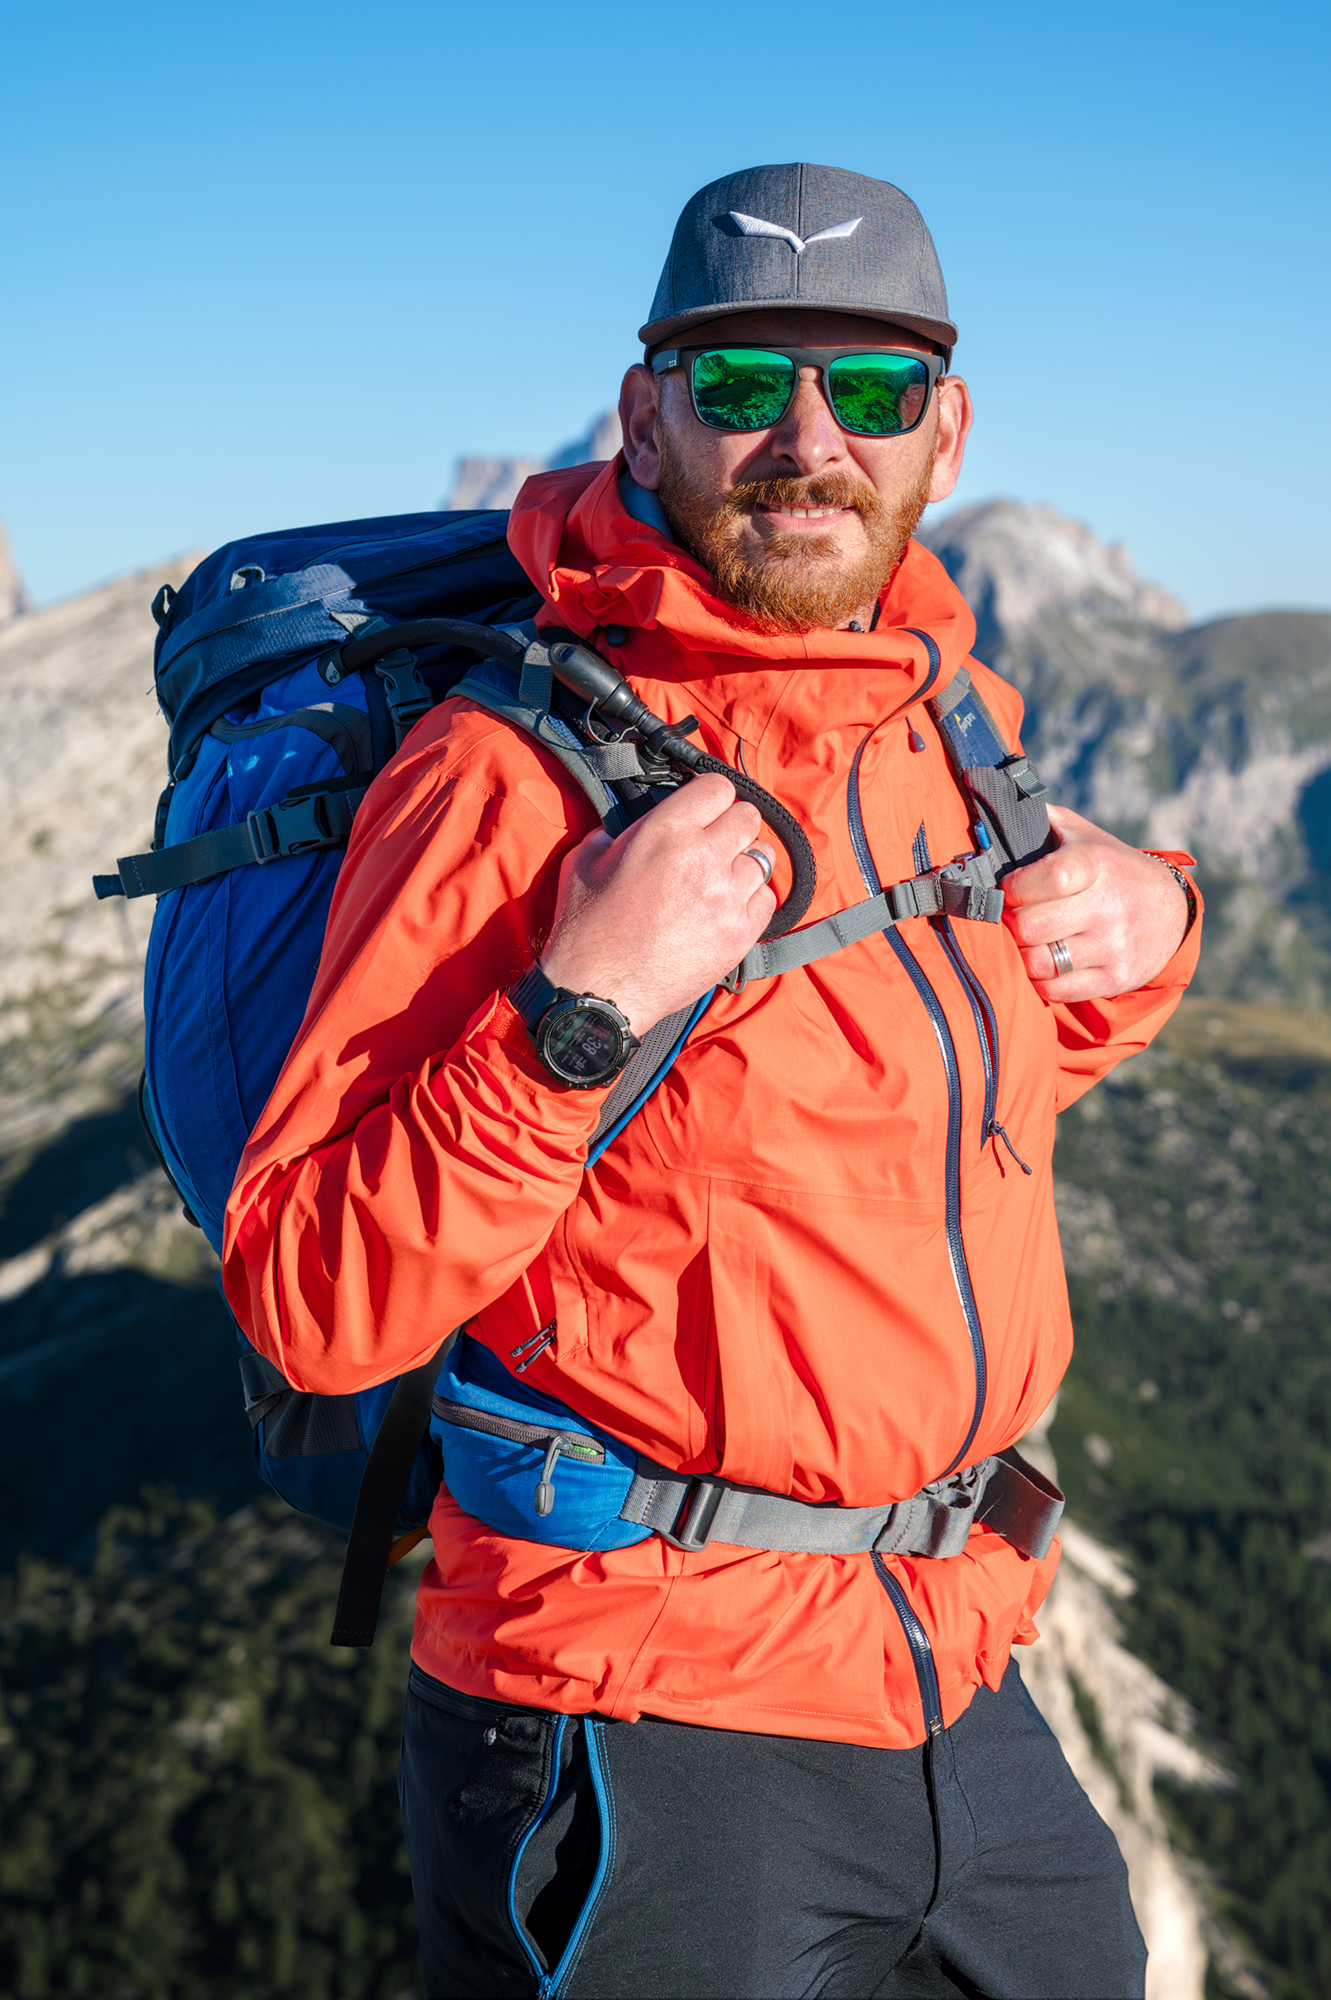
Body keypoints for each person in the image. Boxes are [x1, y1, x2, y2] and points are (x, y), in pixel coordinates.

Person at [223, 163, 1199, 1998]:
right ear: (647, 414)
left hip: (957, 1678)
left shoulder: (947, 726)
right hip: (637, 1710)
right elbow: (310, 1296)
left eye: (871, 387)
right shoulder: (503, 777)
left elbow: (939, 1093)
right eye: (747, 383)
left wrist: (1158, 927)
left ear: (945, 432)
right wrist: (578, 1013)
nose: (808, 442)